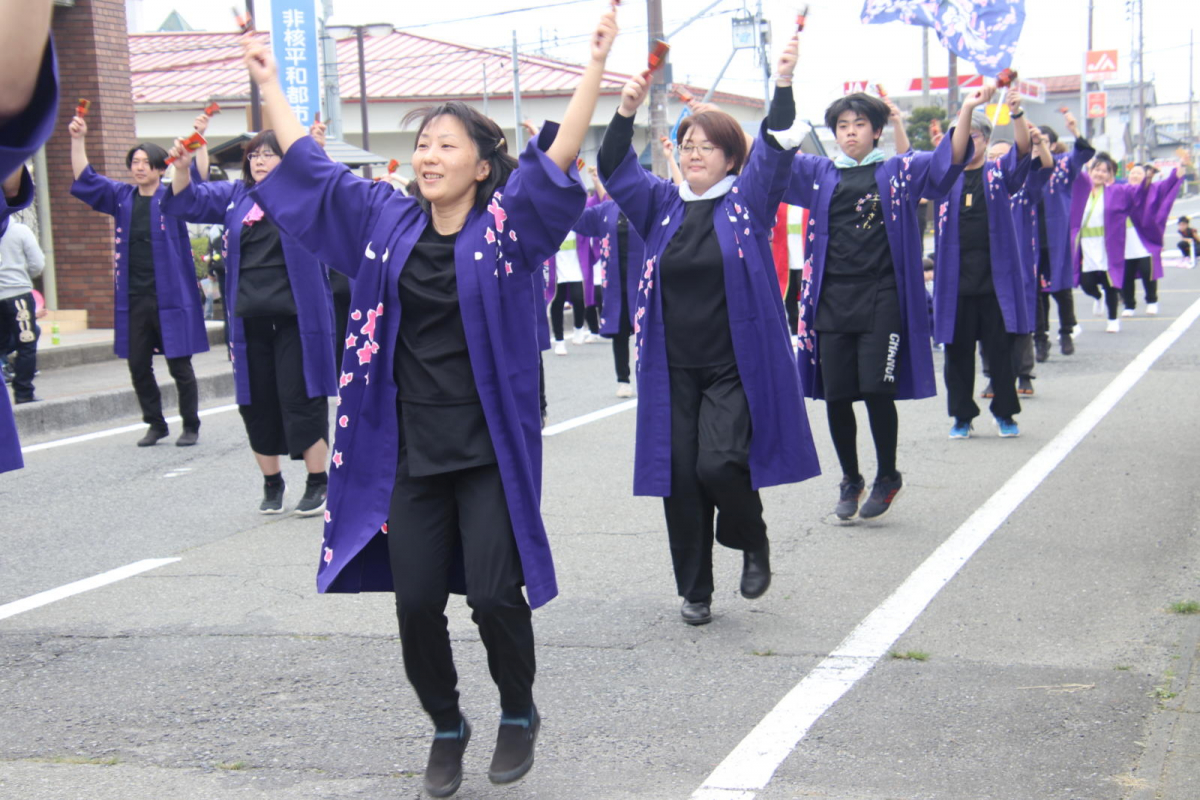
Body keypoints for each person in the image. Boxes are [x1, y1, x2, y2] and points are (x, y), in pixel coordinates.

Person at [233, 9, 615, 795]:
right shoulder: (385, 219)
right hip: (406, 451)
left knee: (489, 593)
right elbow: (308, 169)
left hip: (487, 452)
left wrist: (593, 70)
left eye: (447, 144)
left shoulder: (509, 229)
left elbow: (559, 159)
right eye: (423, 144)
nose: (428, 155)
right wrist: (267, 83)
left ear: (481, 166)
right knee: (413, 605)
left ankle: (517, 709)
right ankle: (447, 722)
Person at [599, 32, 820, 627]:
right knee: (680, 480)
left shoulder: (748, 201)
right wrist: (624, 111)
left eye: (707, 146)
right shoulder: (659, 205)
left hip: (731, 368)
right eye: (686, 144)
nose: (693, 153)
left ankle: (752, 539)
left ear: (730, 158)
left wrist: (782, 84)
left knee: (719, 466)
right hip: (672, 369)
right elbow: (612, 168)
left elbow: (776, 147)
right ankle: (695, 589)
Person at [785, 64, 978, 519]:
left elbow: (950, 158)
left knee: (876, 389)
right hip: (830, 299)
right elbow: (767, 162)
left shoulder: (898, 171)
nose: (850, 133)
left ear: (875, 132)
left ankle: (887, 475)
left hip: (882, 297)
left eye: (859, 125)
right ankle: (850, 478)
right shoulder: (817, 173)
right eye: (842, 126)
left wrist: (967, 108)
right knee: (835, 396)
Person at [163, 124, 336, 516]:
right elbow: (186, 200)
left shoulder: (303, 192)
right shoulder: (235, 196)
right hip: (248, 317)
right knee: (255, 400)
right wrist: (183, 166)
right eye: (254, 154)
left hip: (297, 318)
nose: (259, 160)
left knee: (302, 396)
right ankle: (271, 484)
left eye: (269, 153)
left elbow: (330, 189)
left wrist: (316, 151)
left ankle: (317, 481)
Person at [69, 115, 209, 447]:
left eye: (147, 162)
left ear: (161, 169)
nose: (139, 167)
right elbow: (85, 178)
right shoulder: (122, 197)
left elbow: (196, 180)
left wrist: (199, 137)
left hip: (170, 297)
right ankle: (155, 423)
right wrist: (78, 139)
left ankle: (190, 424)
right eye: (135, 162)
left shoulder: (174, 195)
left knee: (180, 365)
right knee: (137, 364)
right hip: (135, 296)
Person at [931, 89, 1033, 440]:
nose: (965, 142)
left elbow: (1022, 152)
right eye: (959, 135)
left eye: (972, 135)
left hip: (994, 286)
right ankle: (961, 416)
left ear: (986, 139)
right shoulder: (945, 178)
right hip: (955, 288)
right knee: (956, 358)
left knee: (1000, 356)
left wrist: (1017, 114)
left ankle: (1005, 413)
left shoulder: (997, 173)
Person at [0, 0, 57, 474]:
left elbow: (11, 105)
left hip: (16, 291)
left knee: (23, 340)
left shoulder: (14, 227)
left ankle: (24, 387)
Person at [573, 164, 644, 397]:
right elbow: (576, 219)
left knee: (648, 334)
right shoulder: (605, 210)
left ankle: (647, 377)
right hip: (615, 284)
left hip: (643, 283)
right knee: (620, 333)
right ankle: (622, 379)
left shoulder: (645, 207)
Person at [1032, 114, 1094, 360]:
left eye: (1045, 141)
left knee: (1062, 287)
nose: (1040, 145)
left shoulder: (1064, 164)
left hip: (1057, 238)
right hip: (1032, 239)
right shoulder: (1025, 167)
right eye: (1036, 142)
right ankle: (1040, 338)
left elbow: (1085, 154)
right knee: (1036, 291)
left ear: (1054, 145)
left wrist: (1075, 129)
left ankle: (1066, 331)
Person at [1068, 153, 1152, 333]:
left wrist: (1147, 180)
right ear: (1089, 171)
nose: (1099, 174)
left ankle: (1113, 319)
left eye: (1104, 171)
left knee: (1110, 283)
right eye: (1096, 169)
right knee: (1086, 282)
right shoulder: (1080, 190)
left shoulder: (1115, 191)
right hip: (1086, 246)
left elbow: (1137, 192)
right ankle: (1097, 297)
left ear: (1109, 175)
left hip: (1107, 245)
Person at [1124, 163, 1184, 315]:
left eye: (1138, 173)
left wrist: (1180, 166)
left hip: (1145, 238)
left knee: (1147, 271)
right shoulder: (1122, 191)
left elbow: (1170, 183)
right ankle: (1129, 305)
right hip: (1125, 240)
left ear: (1145, 177)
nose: (1135, 176)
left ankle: (1152, 300)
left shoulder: (1153, 189)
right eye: (1132, 173)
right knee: (1127, 274)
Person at [0, 219, 45, 403]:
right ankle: (23, 392)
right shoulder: (19, 230)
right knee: (26, 344)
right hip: (18, 295)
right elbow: (37, 264)